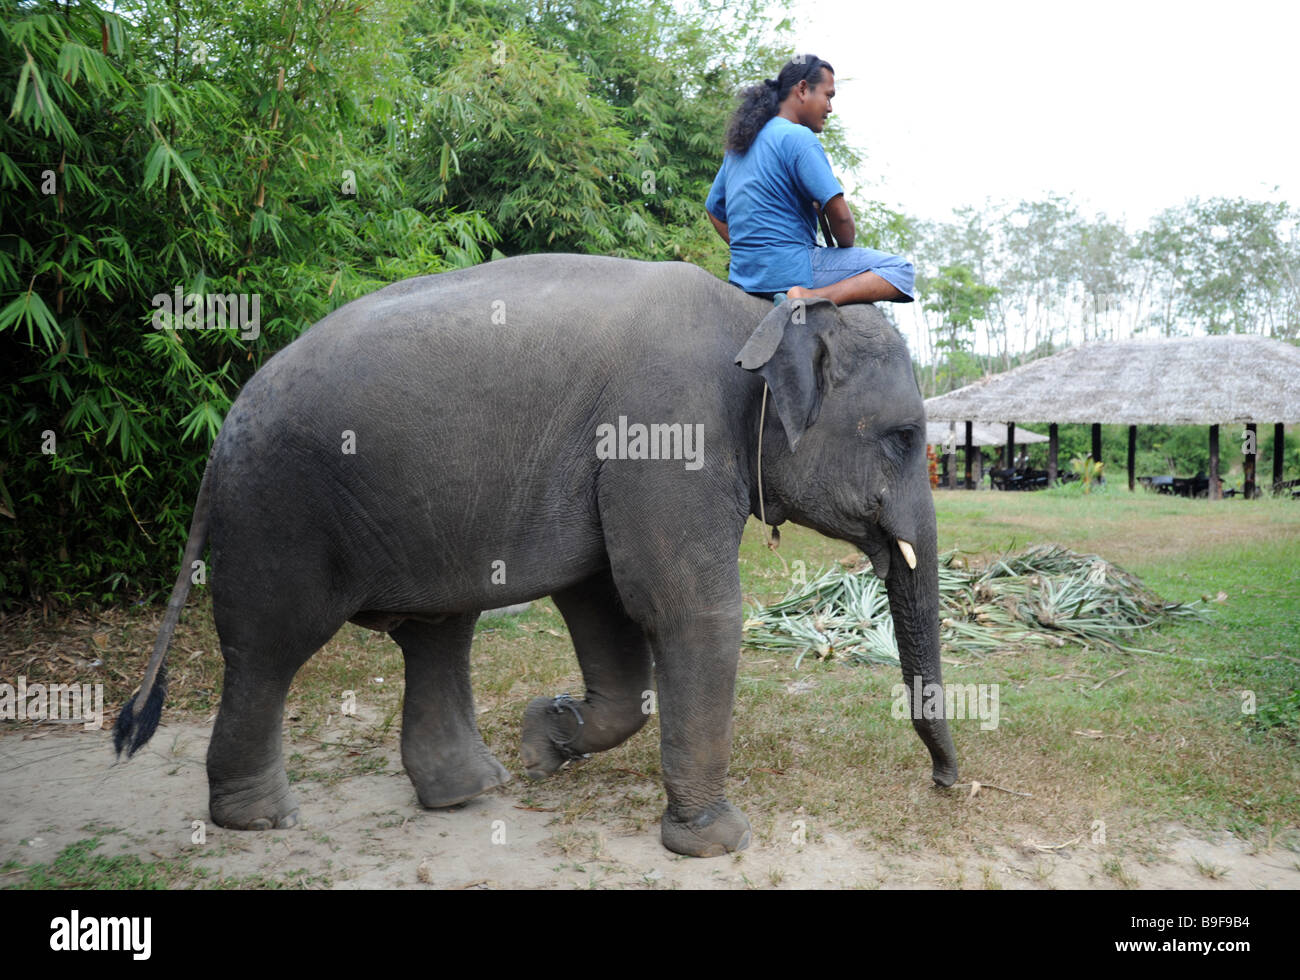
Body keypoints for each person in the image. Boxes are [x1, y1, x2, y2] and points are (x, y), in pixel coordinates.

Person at [705, 55, 915, 306]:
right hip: (795, 271)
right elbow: (842, 219)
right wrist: (845, 241)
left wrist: (750, 252)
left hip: (746, 277)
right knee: (900, 270)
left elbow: (713, 210)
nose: (830, 108)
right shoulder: (798, 137)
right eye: (828, 96)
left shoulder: (741, 144)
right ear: (803, 89)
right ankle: (810, 296)